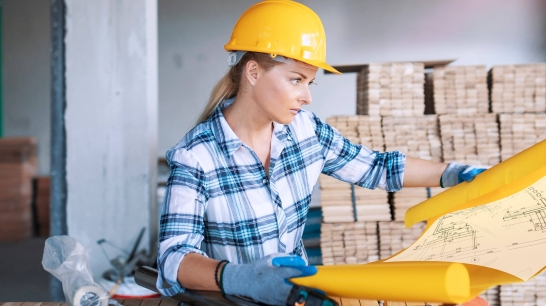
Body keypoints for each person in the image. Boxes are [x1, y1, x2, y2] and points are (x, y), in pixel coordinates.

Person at [156, 1, 486, 305]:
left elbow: (376, 167)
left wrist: (452, 173)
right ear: (253, 73)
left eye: (309, 83)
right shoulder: (196, 156)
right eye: (296, 79)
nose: (306, 96)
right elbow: (173, 257)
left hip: (296, 297)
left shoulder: (306, 131)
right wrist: (241, 279)